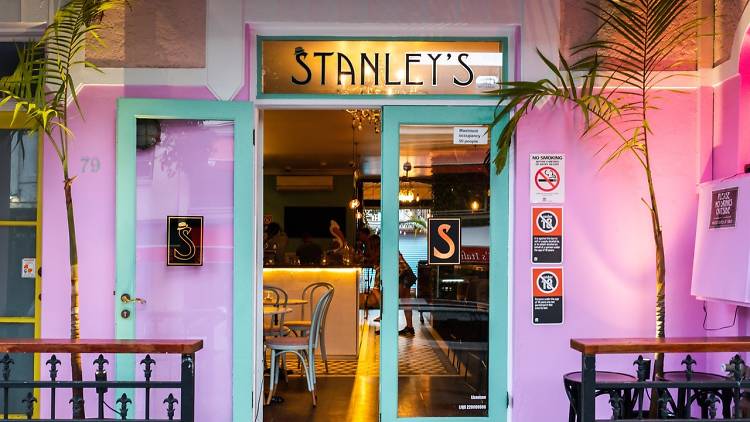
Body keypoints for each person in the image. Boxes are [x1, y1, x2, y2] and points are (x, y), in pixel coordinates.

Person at [367, 235, 417, 336]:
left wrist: (375, 290)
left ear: (373, 247)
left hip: (401, 277)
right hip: (408, 274)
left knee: (387, 302)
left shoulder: (381, 255)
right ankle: (410, 328)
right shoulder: (389, 247)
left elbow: (379, 275)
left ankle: (387, 328)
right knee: (406, 301)